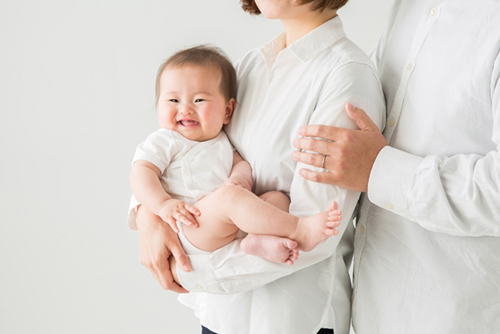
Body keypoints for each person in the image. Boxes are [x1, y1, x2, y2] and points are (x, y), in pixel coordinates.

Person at [132, 0, 385, 333]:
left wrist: (185, 265)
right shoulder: (251, 66)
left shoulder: (345, 76)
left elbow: (316, 232)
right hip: (221, 315)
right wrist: (148, 216)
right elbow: (182, 148)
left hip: (286, 318)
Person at [292, 0, 500, 333]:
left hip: (454, 319)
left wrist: (379, 170)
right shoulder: (412, 5)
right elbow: (360, 134)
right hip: (369, 311)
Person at [129, 45, 342, 267]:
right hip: (190, 225)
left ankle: (259, 240)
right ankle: (300, 229)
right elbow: (140, 174)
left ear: (227, 111)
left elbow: (240, 164)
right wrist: (163, 205)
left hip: (224, 224)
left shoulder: (222, 141)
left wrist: (240, 179)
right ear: (158, 105)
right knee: (230, 198)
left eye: (199, 100)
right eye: (173, 101)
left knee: (277, 199)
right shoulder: (166, 140)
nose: (185, 109)